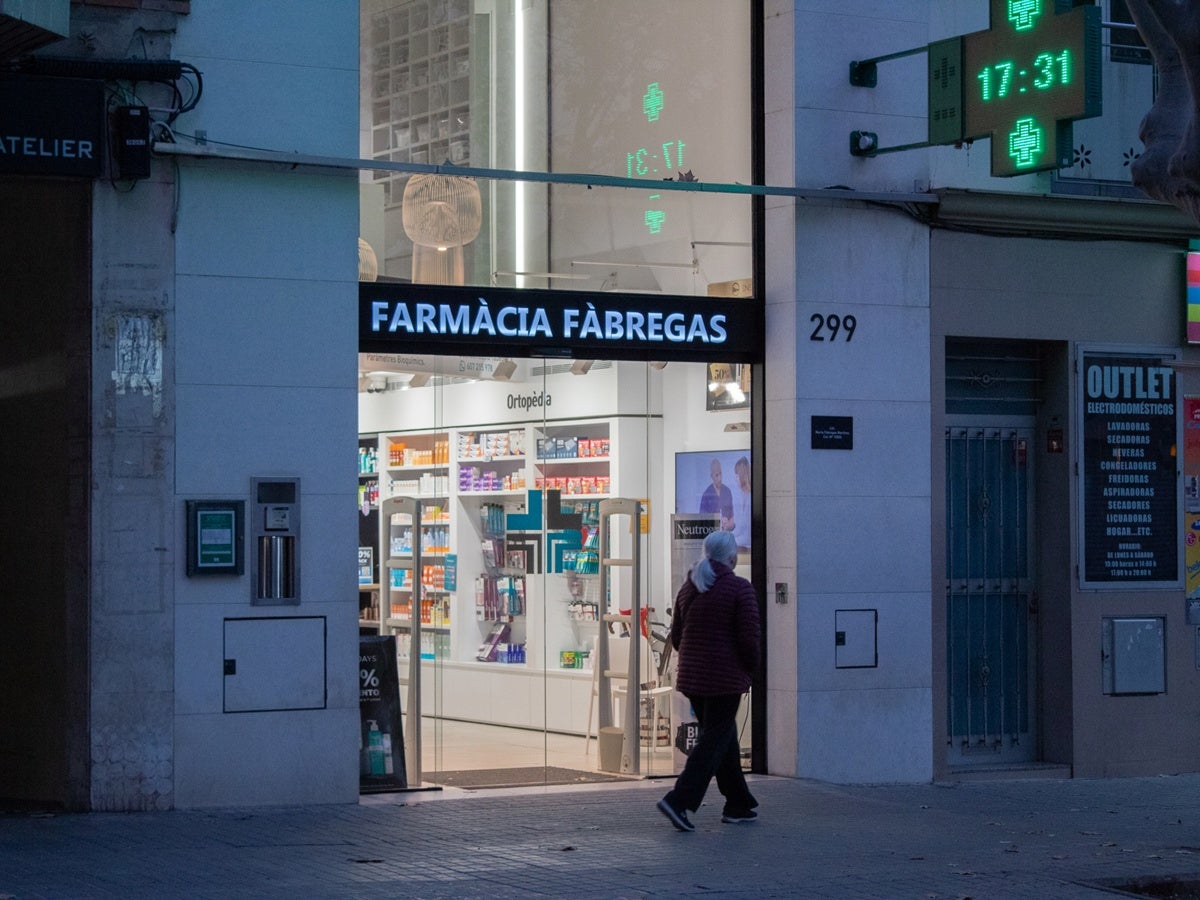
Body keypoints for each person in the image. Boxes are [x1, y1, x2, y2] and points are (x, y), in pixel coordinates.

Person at [656, 530, 760, 832]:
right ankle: (679, 800)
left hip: (692, 678)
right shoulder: (739, 589)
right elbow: (749, 639)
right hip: (725, 680)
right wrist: (752, 669)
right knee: (712, 741)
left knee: (722, 739)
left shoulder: (690, 587)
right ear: (732, 557)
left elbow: (676, 637)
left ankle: (738, 803)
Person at [698, 457, 734, 531]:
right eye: (716, 475)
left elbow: (732, 521)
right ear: (711, 476)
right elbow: (701, 523)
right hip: (712, 537)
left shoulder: (727, 492)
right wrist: (717, 523)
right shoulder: (706, 495)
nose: (720, 478)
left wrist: (727, 524)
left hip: (726, 535)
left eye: (720, 474)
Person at [731, 455, 751, 552]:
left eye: (737, 475)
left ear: (742, 475)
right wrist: (726, 536)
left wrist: (729, 542)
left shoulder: (750, 498)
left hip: (749, 550)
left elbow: (748, 537)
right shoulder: (742, 496)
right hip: (742, 547)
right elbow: (739, 529)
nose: (735, 479)